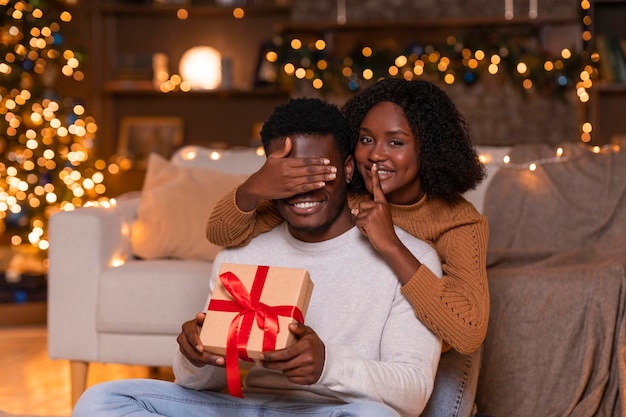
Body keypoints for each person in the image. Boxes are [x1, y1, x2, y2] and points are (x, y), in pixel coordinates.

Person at [72, 98, 443, 417]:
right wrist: (195, 356)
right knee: (104, 400)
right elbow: (203, 381)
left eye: (318, 172)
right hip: (246, 407)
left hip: (331, 410)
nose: (303, 189)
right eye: (287, 176)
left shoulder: (408, 258)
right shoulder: (244, 253)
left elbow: (412, 393)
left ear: (347, 169)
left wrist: (327, 364)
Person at [205, 79, 488, 416]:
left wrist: (391, 245)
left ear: (429, 148)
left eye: (395, 142)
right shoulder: (342, 196)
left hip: (439, 346)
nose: (376, 154)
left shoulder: (458, 222)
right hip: (361, 365)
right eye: (366, 139)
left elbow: (468, 331)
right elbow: (224, 233)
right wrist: (255, 188)